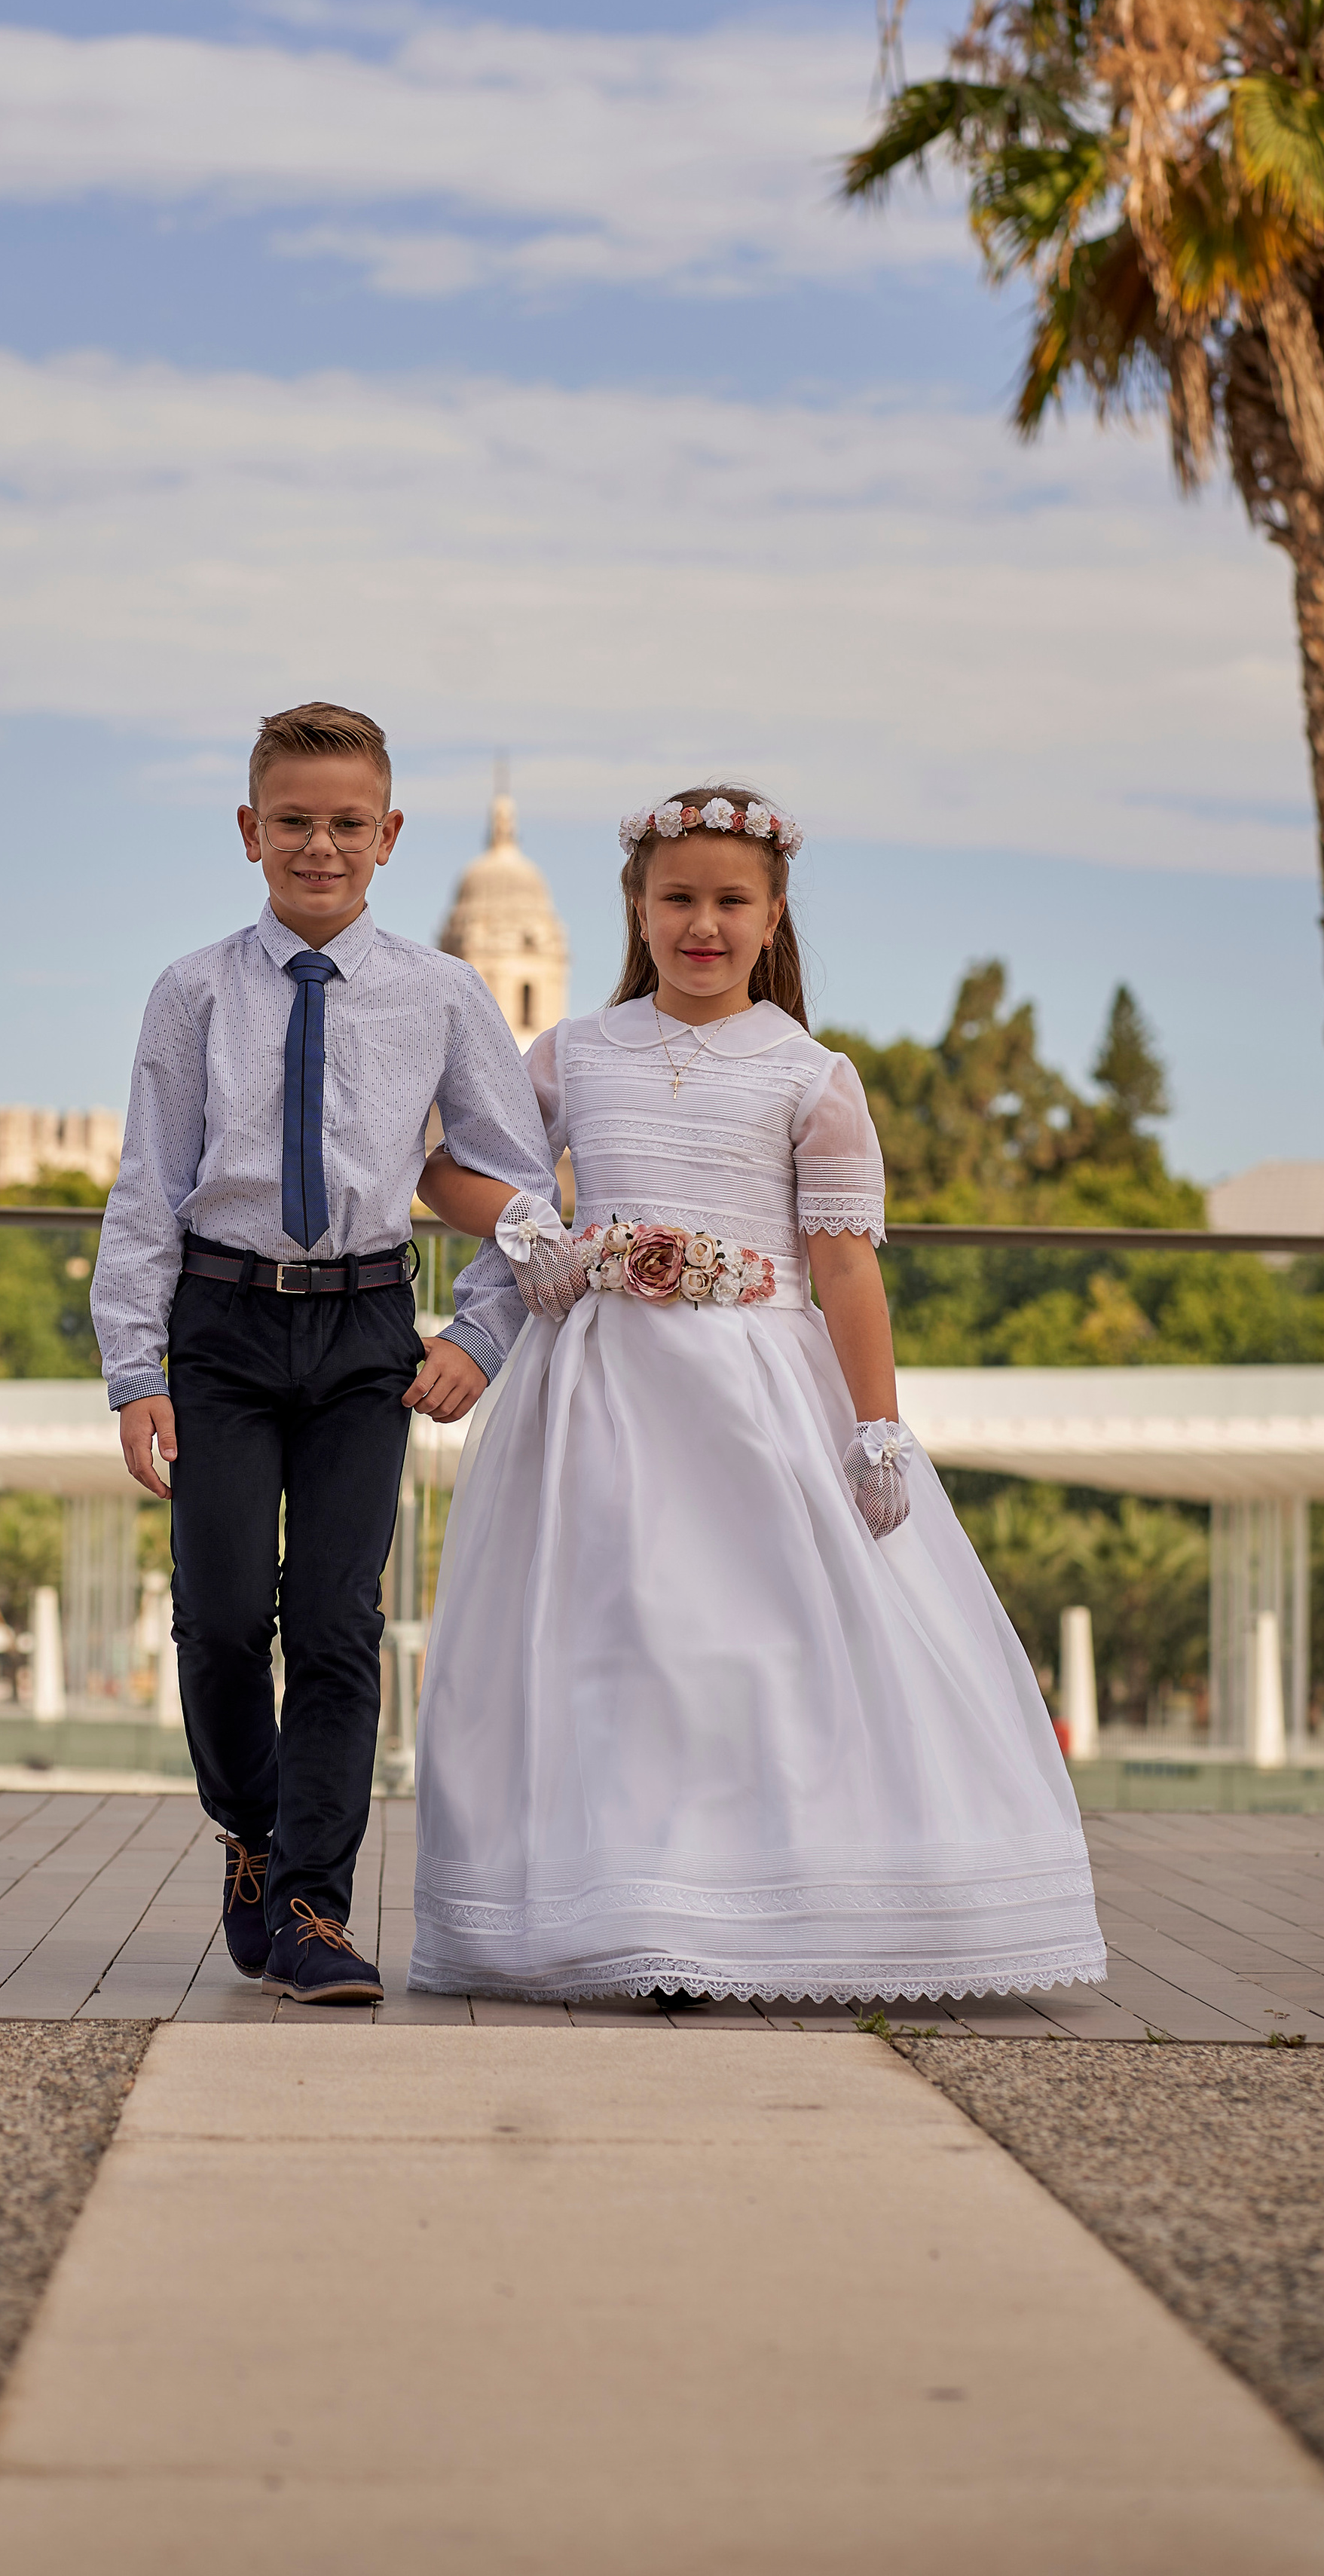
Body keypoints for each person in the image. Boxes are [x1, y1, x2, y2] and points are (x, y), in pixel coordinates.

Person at [408, 783, 1107, 2009]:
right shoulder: (574, 1053)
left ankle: (771, 1909)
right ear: (637, 908)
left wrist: (876, 1424)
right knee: (618, 1644)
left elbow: (844, 1268)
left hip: (760, 1400)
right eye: (678, 899)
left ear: (774, 915)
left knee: (751, 1647)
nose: (703, 925)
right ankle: (635, 1912)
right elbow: (448, 1174)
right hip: (603, 1397)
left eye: (732, 901)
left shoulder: (813, 1076)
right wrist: (533, 1229)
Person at [92, 702, 558, 2006]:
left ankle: (312, 1905)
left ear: (390, 834)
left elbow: (515, 1181)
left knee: (341, 1620)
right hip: (222, 1331)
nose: (320, 844)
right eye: (294, 821)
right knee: (226, 1619)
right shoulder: (190, 992)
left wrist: (481, 1331)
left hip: (364, 1328)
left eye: (348, 823)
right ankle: (250, 1836)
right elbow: (147, 1189)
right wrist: (136, 1371)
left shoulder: (444, 993)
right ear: (250, 831)